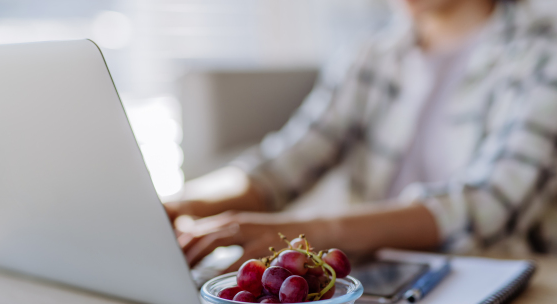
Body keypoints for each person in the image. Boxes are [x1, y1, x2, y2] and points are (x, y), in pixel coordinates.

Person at [167, 0, 557, 272]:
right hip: (378, 279)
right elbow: (286, 162)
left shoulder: (542, 53)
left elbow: (492, 203)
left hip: (501, 284)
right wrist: (185, 205)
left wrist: (311, 230)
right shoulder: (378, 51)